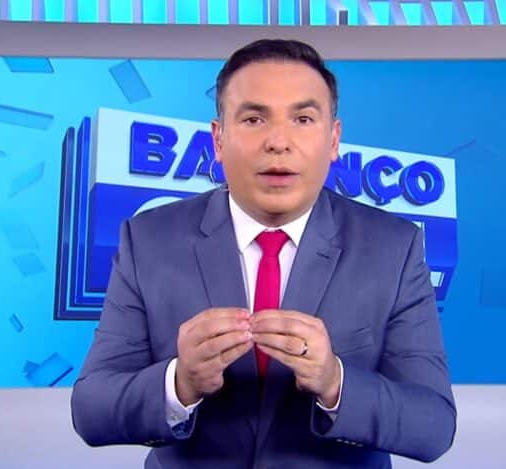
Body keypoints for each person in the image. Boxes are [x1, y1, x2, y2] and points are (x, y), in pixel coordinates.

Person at [71, 38, 456, 469]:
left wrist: (335, 382)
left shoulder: (394, 248)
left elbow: (433, 426)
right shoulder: (148, 239)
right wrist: (180, 383)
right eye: (254, 119)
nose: (278, 141)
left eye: (303, 119)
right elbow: (92, 411)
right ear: (218, 139)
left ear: (333, 139)